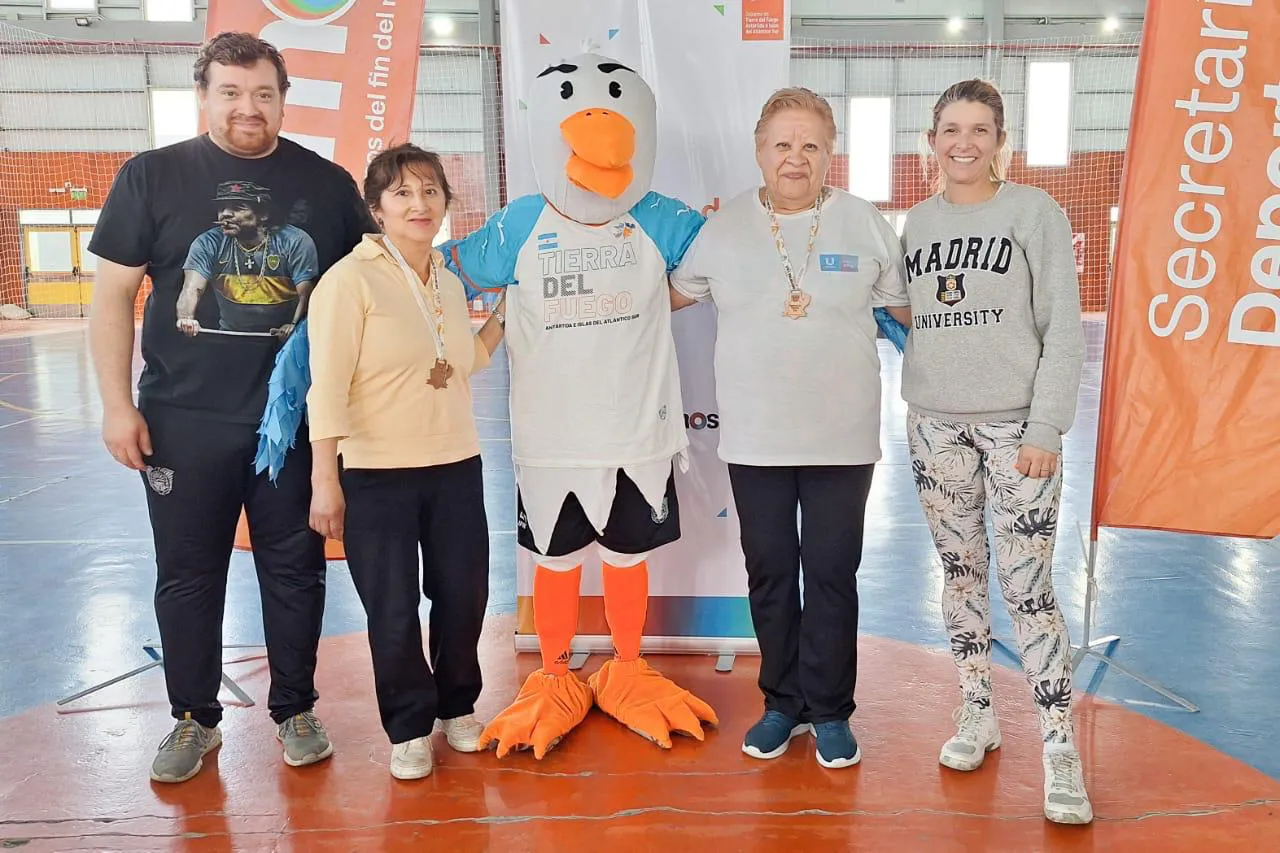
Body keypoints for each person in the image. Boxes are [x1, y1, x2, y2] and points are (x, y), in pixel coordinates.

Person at [87, 32, 375, 784]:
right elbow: (114, 296)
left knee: (296, 568)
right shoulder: (152, 177)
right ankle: (193, 717)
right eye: (231, 92)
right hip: (183, 420)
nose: (249, 107)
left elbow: (365, 294)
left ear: (282, 97)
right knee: (187, 572)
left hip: (291, 424)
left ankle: (295, 708)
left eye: (264, 93)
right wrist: (118, 405)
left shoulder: (327, 184)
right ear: (205, 94)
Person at [670, 87, 912, 769]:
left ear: (831, 152)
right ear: (759, 151)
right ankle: (783, 704)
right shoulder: (722, 230)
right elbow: (665, 296)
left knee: (832, 573)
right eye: (783, 144)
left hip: (843, 438)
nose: (796, 158)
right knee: (771, 572)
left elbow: (907, 311)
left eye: (810, 144)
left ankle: (830, 710)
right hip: (755, 440)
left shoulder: (865, 223)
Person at [897, 78, 1091, 824]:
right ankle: (977, 710)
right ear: (934, 138)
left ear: (1000, 140)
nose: (965, 142)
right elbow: (906, 311)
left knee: (1029, 588)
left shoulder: (1035, 212)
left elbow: (1064, 329)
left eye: (980, 129)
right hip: (936, 426)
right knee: (961, 574)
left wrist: (1046, 427)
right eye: (951, 129)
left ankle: (1059, 747)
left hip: (1018, 433)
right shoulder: (916, 221)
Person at [305, 144, 507, 781]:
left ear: (446, 203)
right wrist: (324, 480)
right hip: (375, 473)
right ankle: (409, 727)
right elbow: (327, 386)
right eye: (402, 194)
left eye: (430, 192)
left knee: (463, 594)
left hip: (454, 463)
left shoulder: (446, 281)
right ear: (377, 208)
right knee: (391, 608)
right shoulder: (349, 281)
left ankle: (458, 706)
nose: (419, 205)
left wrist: (505, 317)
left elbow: (460, 363)